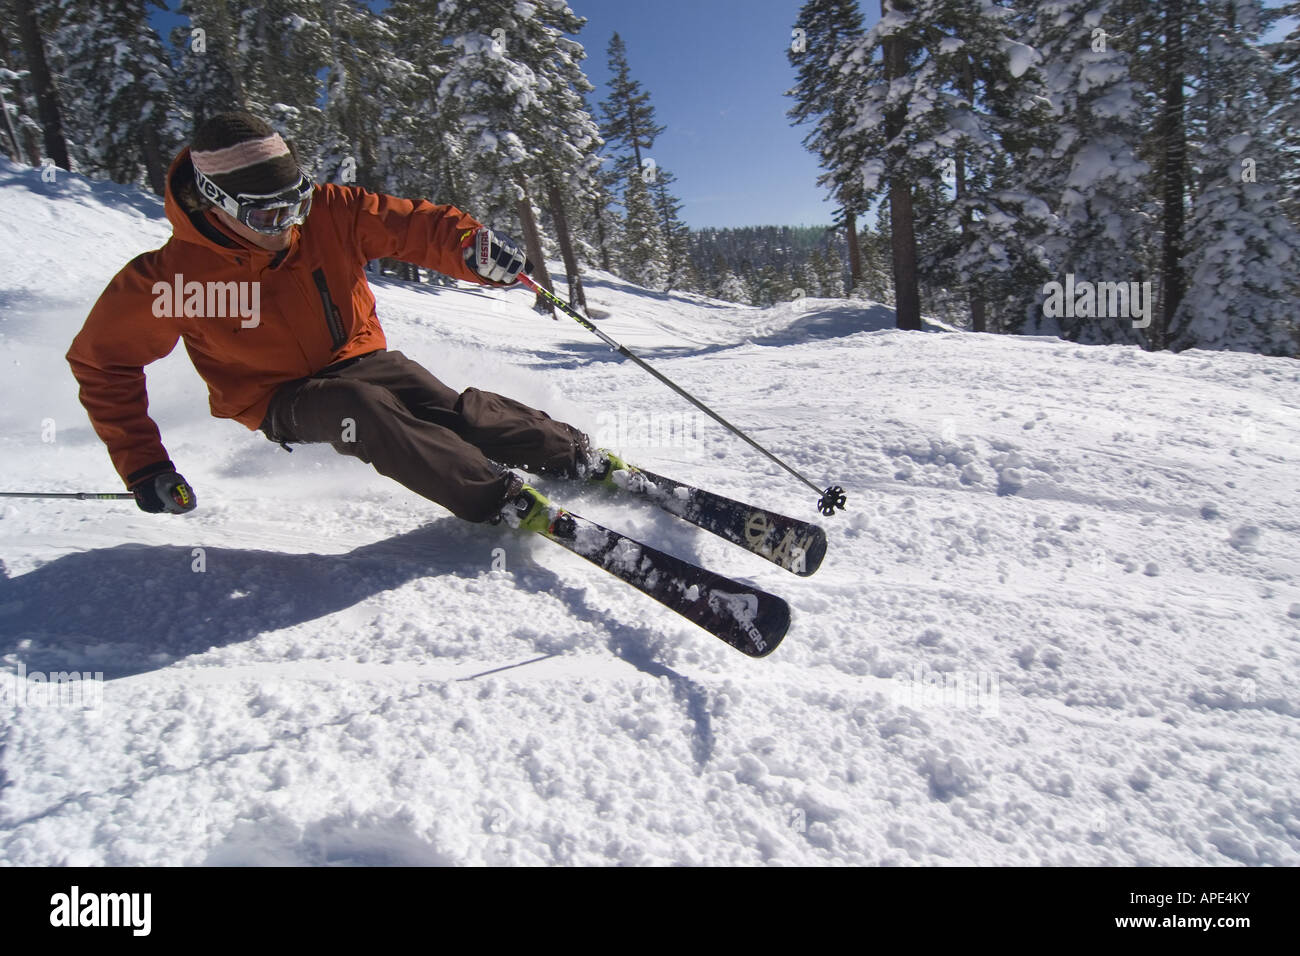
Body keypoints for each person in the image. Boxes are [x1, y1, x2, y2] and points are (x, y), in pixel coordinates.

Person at [67, 111, 618, 529]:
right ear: (216, 202)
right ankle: (498, 498)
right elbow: (104, 365)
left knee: (453, 411)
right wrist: (144, 466)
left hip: (363, 356)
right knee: (364, 411)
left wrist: (469, 248)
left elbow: (414, 227)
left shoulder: (328, 212)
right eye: (268, 214)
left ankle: (575, 455)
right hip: (279, 397)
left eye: (296, 203)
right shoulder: (172, 279)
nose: (288, 224)